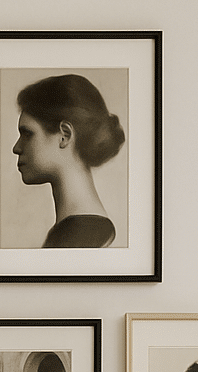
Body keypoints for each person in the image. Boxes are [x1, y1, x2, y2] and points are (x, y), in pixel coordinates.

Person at [12, 74, 125, 248]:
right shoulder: (84, 231)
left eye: (27, 134)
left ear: (65, 135)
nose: (16, 148)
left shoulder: (79, 237)